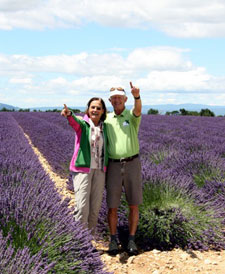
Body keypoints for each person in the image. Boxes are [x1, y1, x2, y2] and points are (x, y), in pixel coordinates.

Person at [105, 82, 142, 256]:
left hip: (132, 163)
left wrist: (137, 96)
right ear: (110, 101)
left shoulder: (132, 115)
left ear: (125, 99)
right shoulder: (107, 118)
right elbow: (89, 119)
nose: (117, 100)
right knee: (112, 205)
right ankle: (113, 240)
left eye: (120, 97)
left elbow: (138, 109)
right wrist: (70, 116)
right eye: (114, 98)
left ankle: (131, 240)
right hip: (113, 164)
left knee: (133, 204)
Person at [61, 98, 108, 235]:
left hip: (99, 170)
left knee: (95, 208)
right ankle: (78, 241)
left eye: (98, 108)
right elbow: (74, 123)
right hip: (83, 170)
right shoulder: (83, 124)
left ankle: (89, 243)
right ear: (88, 109)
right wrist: (69, 114)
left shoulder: (105, 127)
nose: (95, 110)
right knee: (82, 208)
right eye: (93, 107)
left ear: (103, 111)